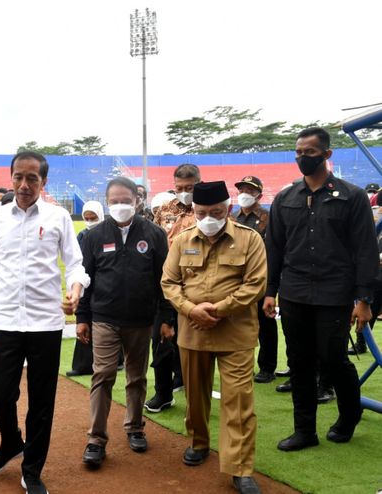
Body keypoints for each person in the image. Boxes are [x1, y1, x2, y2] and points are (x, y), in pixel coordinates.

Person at [0, 151, 90, 494]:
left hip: (46, 322)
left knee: (42, 400)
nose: (24, 185)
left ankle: (32, 470)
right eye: (18, 177)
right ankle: (12, 441)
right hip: (6, 320)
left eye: (32, 179)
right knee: (0, 394)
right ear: (11, 177)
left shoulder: (58, 217)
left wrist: (75, 290)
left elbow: (75, 264)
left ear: (43, 182)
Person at [264, 127, 378, 452]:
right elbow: (274, 248)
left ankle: (348, 415)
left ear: (327, 154)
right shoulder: (286, 198)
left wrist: (364, 299)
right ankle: (304, 431)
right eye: (298, 152)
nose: (302, 157)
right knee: (299, 361)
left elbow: (365, 250)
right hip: (294, 292)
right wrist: (270, 291)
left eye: (310, 152)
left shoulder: (352, 196)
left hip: (334, 293)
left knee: (333, 359)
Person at [161, 181, 267, 494]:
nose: (209, 217)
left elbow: (256, 284)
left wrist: (218, 310)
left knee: (238, 402)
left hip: (236, 333)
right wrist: (190, 310)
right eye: (202, 212)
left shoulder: (250, 240)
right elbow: (169, 282)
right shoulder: (182, 241)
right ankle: (198, 442)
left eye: (216, 212)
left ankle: (240, 468)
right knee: (195, 397)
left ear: (229, 209)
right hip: (193, 332)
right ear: (193, 211)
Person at [75, 177, 172, 469]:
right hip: (104, 317)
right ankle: (96, 439)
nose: (119, 206)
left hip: (141, 319)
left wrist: (166, 318)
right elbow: (85, 278)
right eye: (114, 201)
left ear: (137, 201)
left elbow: (164, 280)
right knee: (102, 374)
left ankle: (135, 427)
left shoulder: (154, 234)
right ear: (107, 202)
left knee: (137, 376)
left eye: (125, 200)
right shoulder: (94, 236)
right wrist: (82, 317)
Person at [145, 164, 200, 413]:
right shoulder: (165, 210)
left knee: (194, 345)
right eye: (180, 188)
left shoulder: (207, 209)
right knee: (162, 340)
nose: (185, 192)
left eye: (190, 187)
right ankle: (163, 393)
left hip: (196, 285)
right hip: (165, 285)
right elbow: (156, 241)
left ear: (199, 182)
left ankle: (196, 397)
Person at [231, 176, 278, 384]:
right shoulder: (233, 217)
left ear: (259, 194)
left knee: (265, 324)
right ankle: (241, 365)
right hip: (237, 279)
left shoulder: (268, 217)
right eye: (242, 189)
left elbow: (273, 250)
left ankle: (268, 367)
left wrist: (271, 286)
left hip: (260, 277)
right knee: (239, 324)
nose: (244, 194)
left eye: (249, 191)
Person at [67, 200, 105, 377]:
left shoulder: (107, 234)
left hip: (102, 284)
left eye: (93, 217)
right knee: (84, 318)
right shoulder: (82, 235)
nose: (89, 221)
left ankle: (116, 360)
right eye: (87, 218)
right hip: (83, 281)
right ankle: (83, 364)